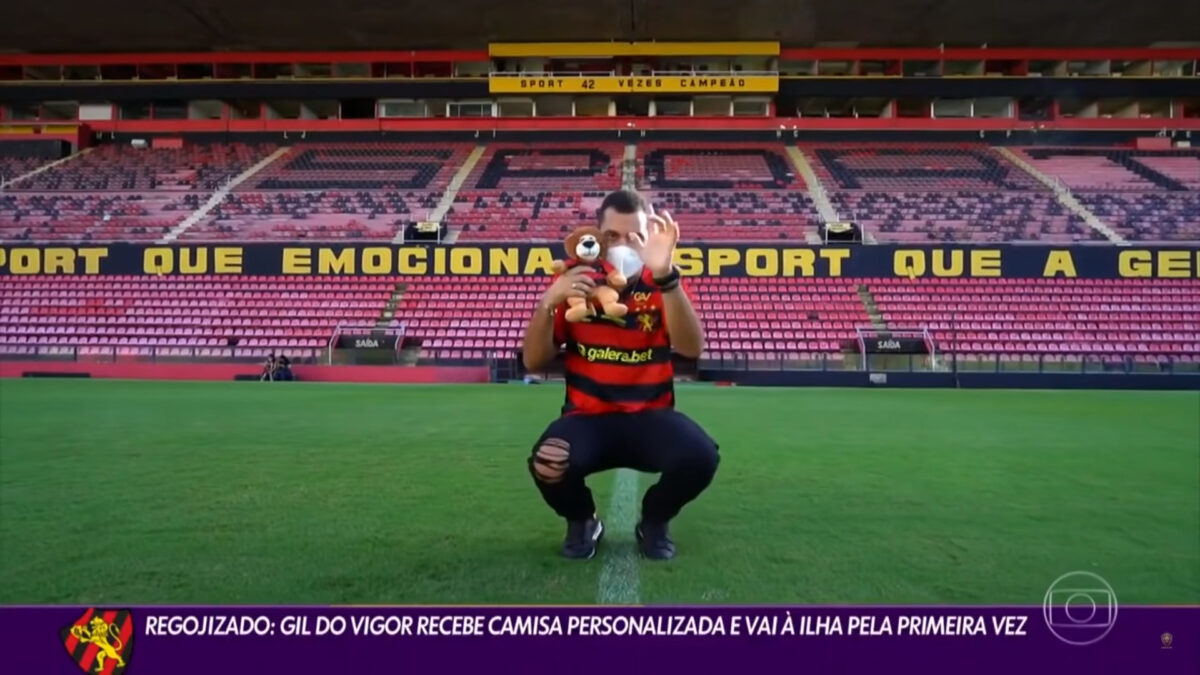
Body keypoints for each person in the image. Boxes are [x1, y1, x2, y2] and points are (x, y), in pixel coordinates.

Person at [521, 189, 719, 561]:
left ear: (648, 240)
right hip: (588, 418)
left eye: (635, 236)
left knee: (701, 456)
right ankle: (583, 519)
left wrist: (666, 277)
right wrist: (549, 301)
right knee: (548, 460)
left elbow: (692, 349)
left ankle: (655, 519)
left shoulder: (661, 283)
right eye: (612, 235)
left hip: (651, 416)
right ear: (596, 236)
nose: (623, 244)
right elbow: (533, 361)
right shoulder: (576, 283)